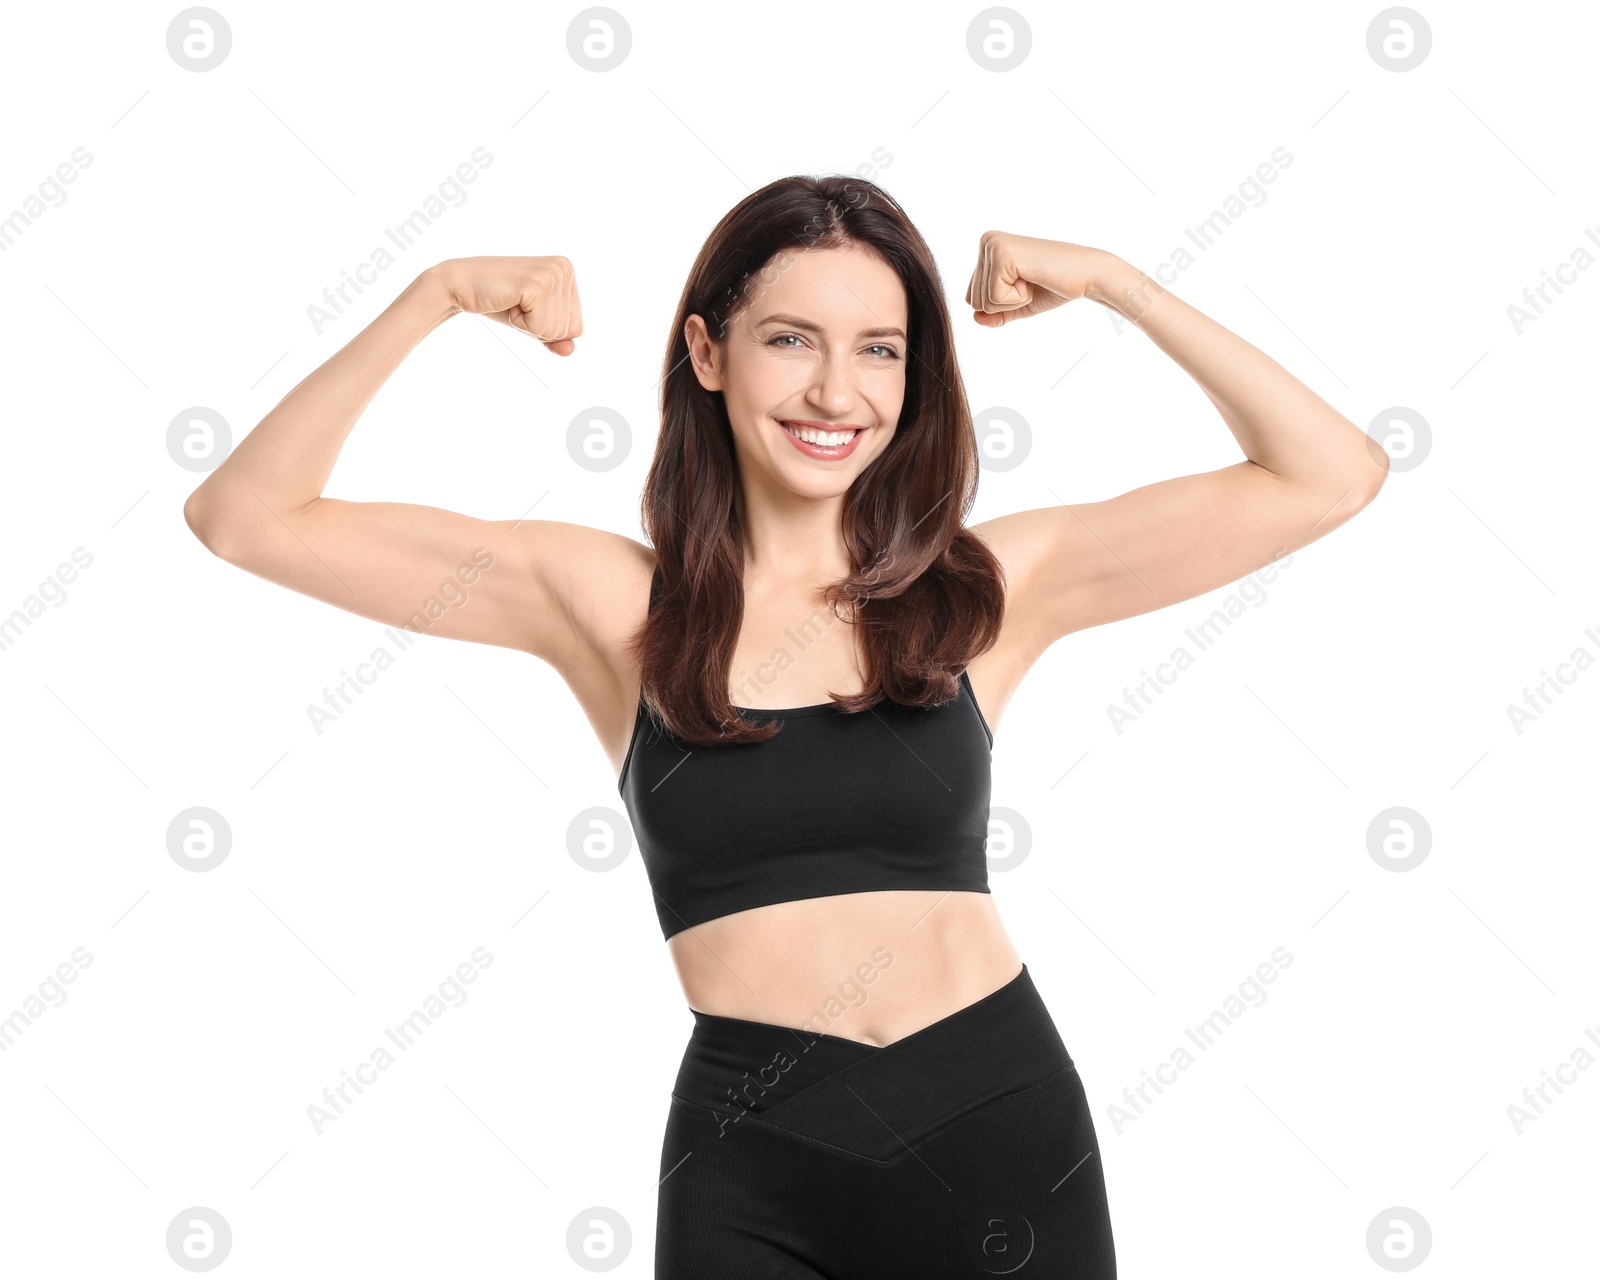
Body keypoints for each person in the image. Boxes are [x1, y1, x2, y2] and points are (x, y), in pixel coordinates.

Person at [183, 175, 1387, 1277]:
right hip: (751, 1154)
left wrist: (1118, 282)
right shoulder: (610, 604)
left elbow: (1328, 473)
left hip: (993, 1123)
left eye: (879, 349)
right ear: (707, 351)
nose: (835, 392)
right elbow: (245, 516)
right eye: (790, 340)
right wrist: (432, 296)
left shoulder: (984, 590)